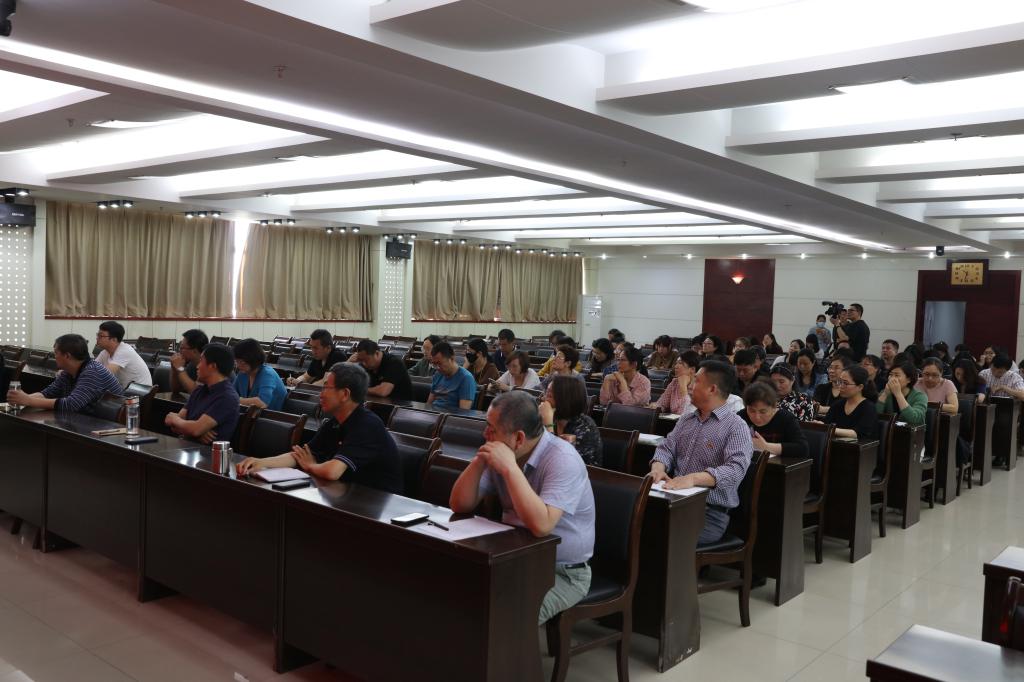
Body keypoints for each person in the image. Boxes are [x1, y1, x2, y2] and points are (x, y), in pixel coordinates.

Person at [449, 391, 595, 625]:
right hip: (511, 558)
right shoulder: (504, 451)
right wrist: (479, 460)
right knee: (453, 594)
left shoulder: (562, 459)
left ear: (518, 438)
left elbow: (542, 526)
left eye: (491, 429)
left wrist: (510, 469)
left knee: (505, 618)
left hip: (562, 572)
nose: (485, 434)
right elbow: (460, 504)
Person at [237, 363, 403, 493]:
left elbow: (332, 472)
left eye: (326, 388)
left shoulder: (367, 425)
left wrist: (311, 466)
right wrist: (260, 462)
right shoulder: (334, 423)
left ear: (345, 394)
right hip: (347, 492)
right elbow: (301, 455)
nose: (320, 394)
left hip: (378, 500)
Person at [650, 361, 752, 544]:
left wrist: (693, 479)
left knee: (659, 537)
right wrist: (658, 468)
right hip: (673, 501)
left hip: (709, 513)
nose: (690, 385)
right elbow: (666, 448)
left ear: (712, 389)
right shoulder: (687, 419)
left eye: (696, 380)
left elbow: (735, 470)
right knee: (631, 526)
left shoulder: (736, 426)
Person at [7, 334, 122, 415]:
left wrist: (28, 400)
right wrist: (19, 400)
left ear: (67, 356)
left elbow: (71, 404)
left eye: (56, 353)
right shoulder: (68, 372)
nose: (54, 356)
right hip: (87, 421)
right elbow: (47, 393)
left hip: (107, 428)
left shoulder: (92, 372)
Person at [165, 343, 240, 444]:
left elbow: (195, 430)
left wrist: (178, 421)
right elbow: (173, 425)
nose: (197, 366)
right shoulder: (199, 390)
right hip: (188, 447)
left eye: (201, 361)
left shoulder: (227, 397)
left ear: (213, 366)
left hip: (208, 452)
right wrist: (193, 430)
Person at [539, 375, 602, 466]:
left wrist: (548, 425)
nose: (544, 399)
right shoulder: (552, 418)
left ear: (566, 399)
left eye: (549, 395)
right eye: (546, 393)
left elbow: (560, 463)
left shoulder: (585, 427)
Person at [740, 382, 808, 458]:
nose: (757, 417)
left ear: (774, 407)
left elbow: (803, 449)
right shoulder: (741, 417)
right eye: (752, 411)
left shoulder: (785, 418)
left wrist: (766, 446)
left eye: (763, 412)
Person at [822, 365, 879, 440]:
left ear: (860, 387)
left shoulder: (869, 408)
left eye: (845, 383)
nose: (840, 386)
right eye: (840, 382)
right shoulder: (837, 405)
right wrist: (820, 425)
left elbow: (858, 433)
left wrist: (831, 429)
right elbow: (827, 424)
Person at [232, 338, 287, 411]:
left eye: (241, 362)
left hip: (272, 416)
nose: (237, 365)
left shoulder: (267, 374)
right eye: (236, 361)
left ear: (252, 359)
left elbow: (262, 402)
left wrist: (237, 400)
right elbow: (231, 393)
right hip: (250, 414)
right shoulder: (243, 373)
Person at [94, 321, 152, 389]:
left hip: (140, 391)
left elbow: (105, 376)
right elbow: (92, 369)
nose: (97, 338)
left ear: (114, 339)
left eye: (101, 336)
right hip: (125, 390)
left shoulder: (124, 351)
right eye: (97, 335)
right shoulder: (105, 352)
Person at [427, 342, 477, 410]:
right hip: (434, 413)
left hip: (450, 415)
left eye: (439, 363)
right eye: (434, 364)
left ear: (452, 358)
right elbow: (429, 404)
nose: (437, 368)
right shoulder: (438, 374)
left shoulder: (466, 378)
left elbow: (463, 412)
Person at [877, 360, 927, 426]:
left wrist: (898, 394)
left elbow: (914, 419)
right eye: (891, 375)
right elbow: (875, 416)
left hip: (909, 431)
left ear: (909, 379)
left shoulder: (920, 396)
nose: (892, 378)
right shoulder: (885, 392)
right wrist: (885, 394)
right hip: (889, 430)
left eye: (897, 375)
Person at [652, 350, 700, 415]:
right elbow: (662, 403)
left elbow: (688, 413)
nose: (676, 366)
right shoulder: (675, 382)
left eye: (680, 363)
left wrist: (683, 387)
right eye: (676, 363)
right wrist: (655, 407)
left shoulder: (700, 387)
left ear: (692, 369)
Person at [170, 328, 208, 394]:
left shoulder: (209, 366)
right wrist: (174, 369)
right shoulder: (192, 365)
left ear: (194, 351)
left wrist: (180, 369)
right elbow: (176, 389)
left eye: (182, 348)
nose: (179, 351)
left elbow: (197, 393)